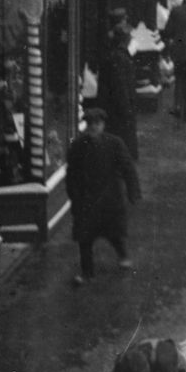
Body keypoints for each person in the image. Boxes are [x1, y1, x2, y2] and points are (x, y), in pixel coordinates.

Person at [66, 107, 141, 285]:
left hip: (109, 199)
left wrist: (133, 192)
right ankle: (87, 272)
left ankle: (122, 255)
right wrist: (74, 197)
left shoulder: (114, 143)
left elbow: (128, 168)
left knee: (113, 233)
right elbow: (71, 175)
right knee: (85, 239)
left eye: (97, 124)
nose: (93, 127)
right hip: (86, 200)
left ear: (103, 125)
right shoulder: (77, 146)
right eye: (90, 124)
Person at [99, 8, 140, 161]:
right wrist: (127, 107)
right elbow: (120, 86)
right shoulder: (120, 58)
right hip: (119, 106)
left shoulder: (117, 55)